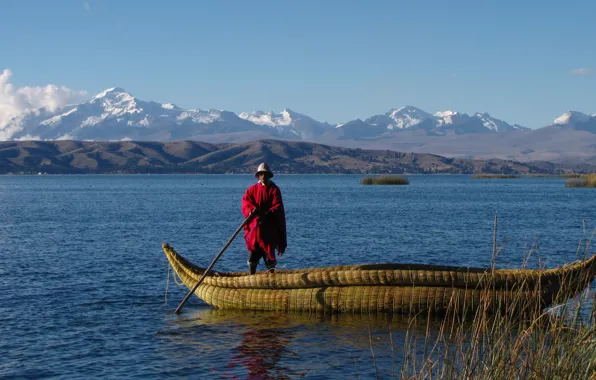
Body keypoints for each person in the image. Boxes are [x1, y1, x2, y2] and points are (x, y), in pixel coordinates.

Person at [241, 163, 287, 274]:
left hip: (268, 230)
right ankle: (252, 278)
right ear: (258, 176)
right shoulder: (252, 190)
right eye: (261, 175)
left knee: (269, 258)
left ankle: (272, 279)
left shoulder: (274, 190)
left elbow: (278, 206)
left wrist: (266, 214)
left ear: (269, 176)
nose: (264, 177)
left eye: (266, 175)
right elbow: (245, 203)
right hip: (255, 230)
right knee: (253, 257)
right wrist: (251, 210)